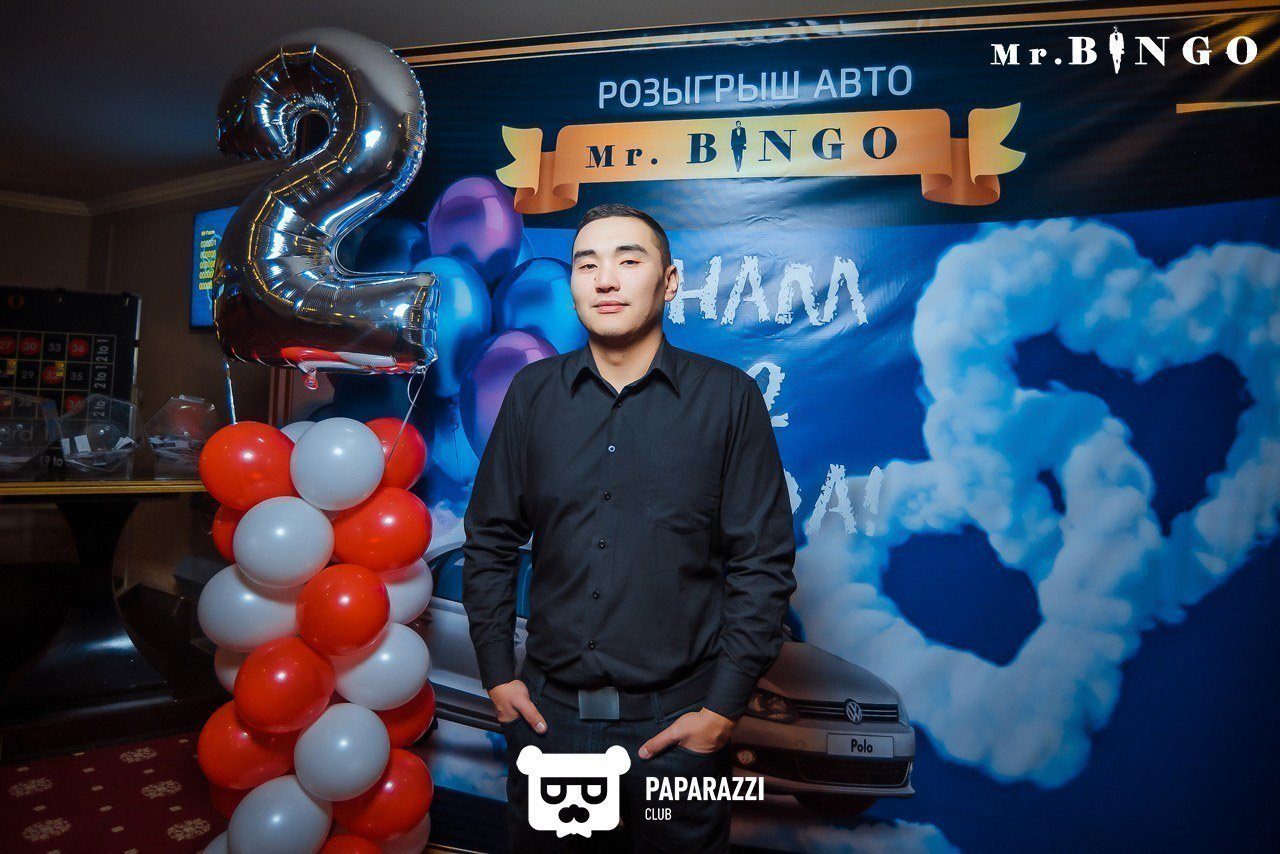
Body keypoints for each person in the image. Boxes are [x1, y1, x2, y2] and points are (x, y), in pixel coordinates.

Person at [462, 203, 797, 852]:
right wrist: (497, 674)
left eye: (629, 260)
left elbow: (762, 564)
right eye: (587, 264)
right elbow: (492, 539)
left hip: (681, 731)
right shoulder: (532, 393)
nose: (606, 279)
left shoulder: (730, 398)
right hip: (551, 724)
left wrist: (721, 712)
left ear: (669, 282)